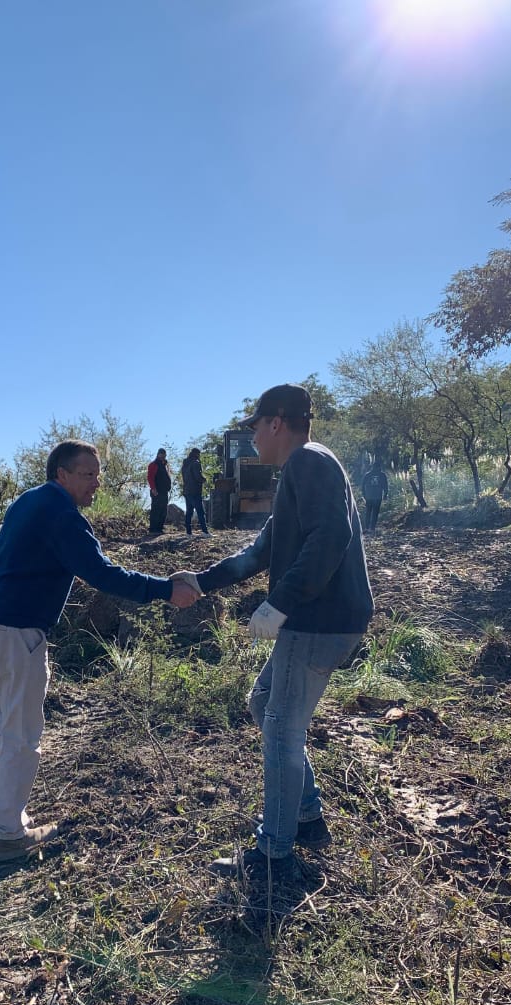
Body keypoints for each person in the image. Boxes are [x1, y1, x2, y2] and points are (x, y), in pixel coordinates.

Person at [179, 385, 373, 931]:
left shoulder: (311, 462)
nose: (251, 437)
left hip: (315, 620)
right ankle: (306, 818)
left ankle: (274, 852)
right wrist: (203, 580)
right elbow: (259, 550)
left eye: (256, 426)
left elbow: (330, 537)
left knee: (283, 727)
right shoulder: (300, 472)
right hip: (318, 618)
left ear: (279, 423)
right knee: (264, 701)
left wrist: (279, 603)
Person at [0, 440, 199, 860]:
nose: (97, 483)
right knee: (23, 732)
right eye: (88, 474)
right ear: (62, 474)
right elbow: (102, 574)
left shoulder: (29, 502)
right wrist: (167, 590)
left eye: (98, 474)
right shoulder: (62, 515)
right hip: (19, 628)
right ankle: (8, 835)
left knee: (5, 723)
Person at [181, 447, 210, 537]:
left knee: (189, 512)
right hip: (195, 491)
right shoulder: (196, 463)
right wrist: (204, 479)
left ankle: (188, 533)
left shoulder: (185, 464)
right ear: (197, 454)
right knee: (200, 512)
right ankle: (205, 532)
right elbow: (198, 477)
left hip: (187, 491)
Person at [147, 448, 172, 535]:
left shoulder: (165, 465)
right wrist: (153, 488)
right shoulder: (153, 465)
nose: (163, 456)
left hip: (164, 491)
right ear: (158, 454)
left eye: (164, 455)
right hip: (156, 491)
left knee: (163, 510)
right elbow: (150, 477)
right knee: (155, 510)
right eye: (161, 454)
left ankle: (159, 528)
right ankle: (153, 529)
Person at [361, 462, 389, 533]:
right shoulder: (382, 475)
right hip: (377, 497)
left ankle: (367, 528)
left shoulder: (367, 474)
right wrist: (385, 495)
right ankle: (371, 528)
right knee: (374, 513)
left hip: (369, 497)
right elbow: (385, 486)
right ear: (379, 467)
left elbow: (362, 486)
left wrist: (364, 495)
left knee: (368, 512)